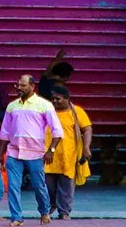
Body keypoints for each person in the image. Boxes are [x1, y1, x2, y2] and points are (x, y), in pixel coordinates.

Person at [1, 73, 62, 224]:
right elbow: (4, 132)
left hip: (35, 153)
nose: (19, 88)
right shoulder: (11, 106)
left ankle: (44, 211)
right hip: (14, 152)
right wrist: (0, 153)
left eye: (23, 85)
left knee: (39, 186)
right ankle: (17, 218)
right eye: (18, 85)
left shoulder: (44, 105)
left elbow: (57, 131)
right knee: (13, 187)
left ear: (32, 86)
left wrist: (51, 151)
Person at [43, 87, 90, 221]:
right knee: (48, 186)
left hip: (68, 156)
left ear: (67, 99)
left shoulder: (76, 112)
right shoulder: (48, 112)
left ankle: (64, 212)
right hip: (48, 156)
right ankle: (52, 204)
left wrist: (86, 148)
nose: (54, 101)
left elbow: (87, 129)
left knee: (66, 187)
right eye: (52, 99)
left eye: (58, 99)